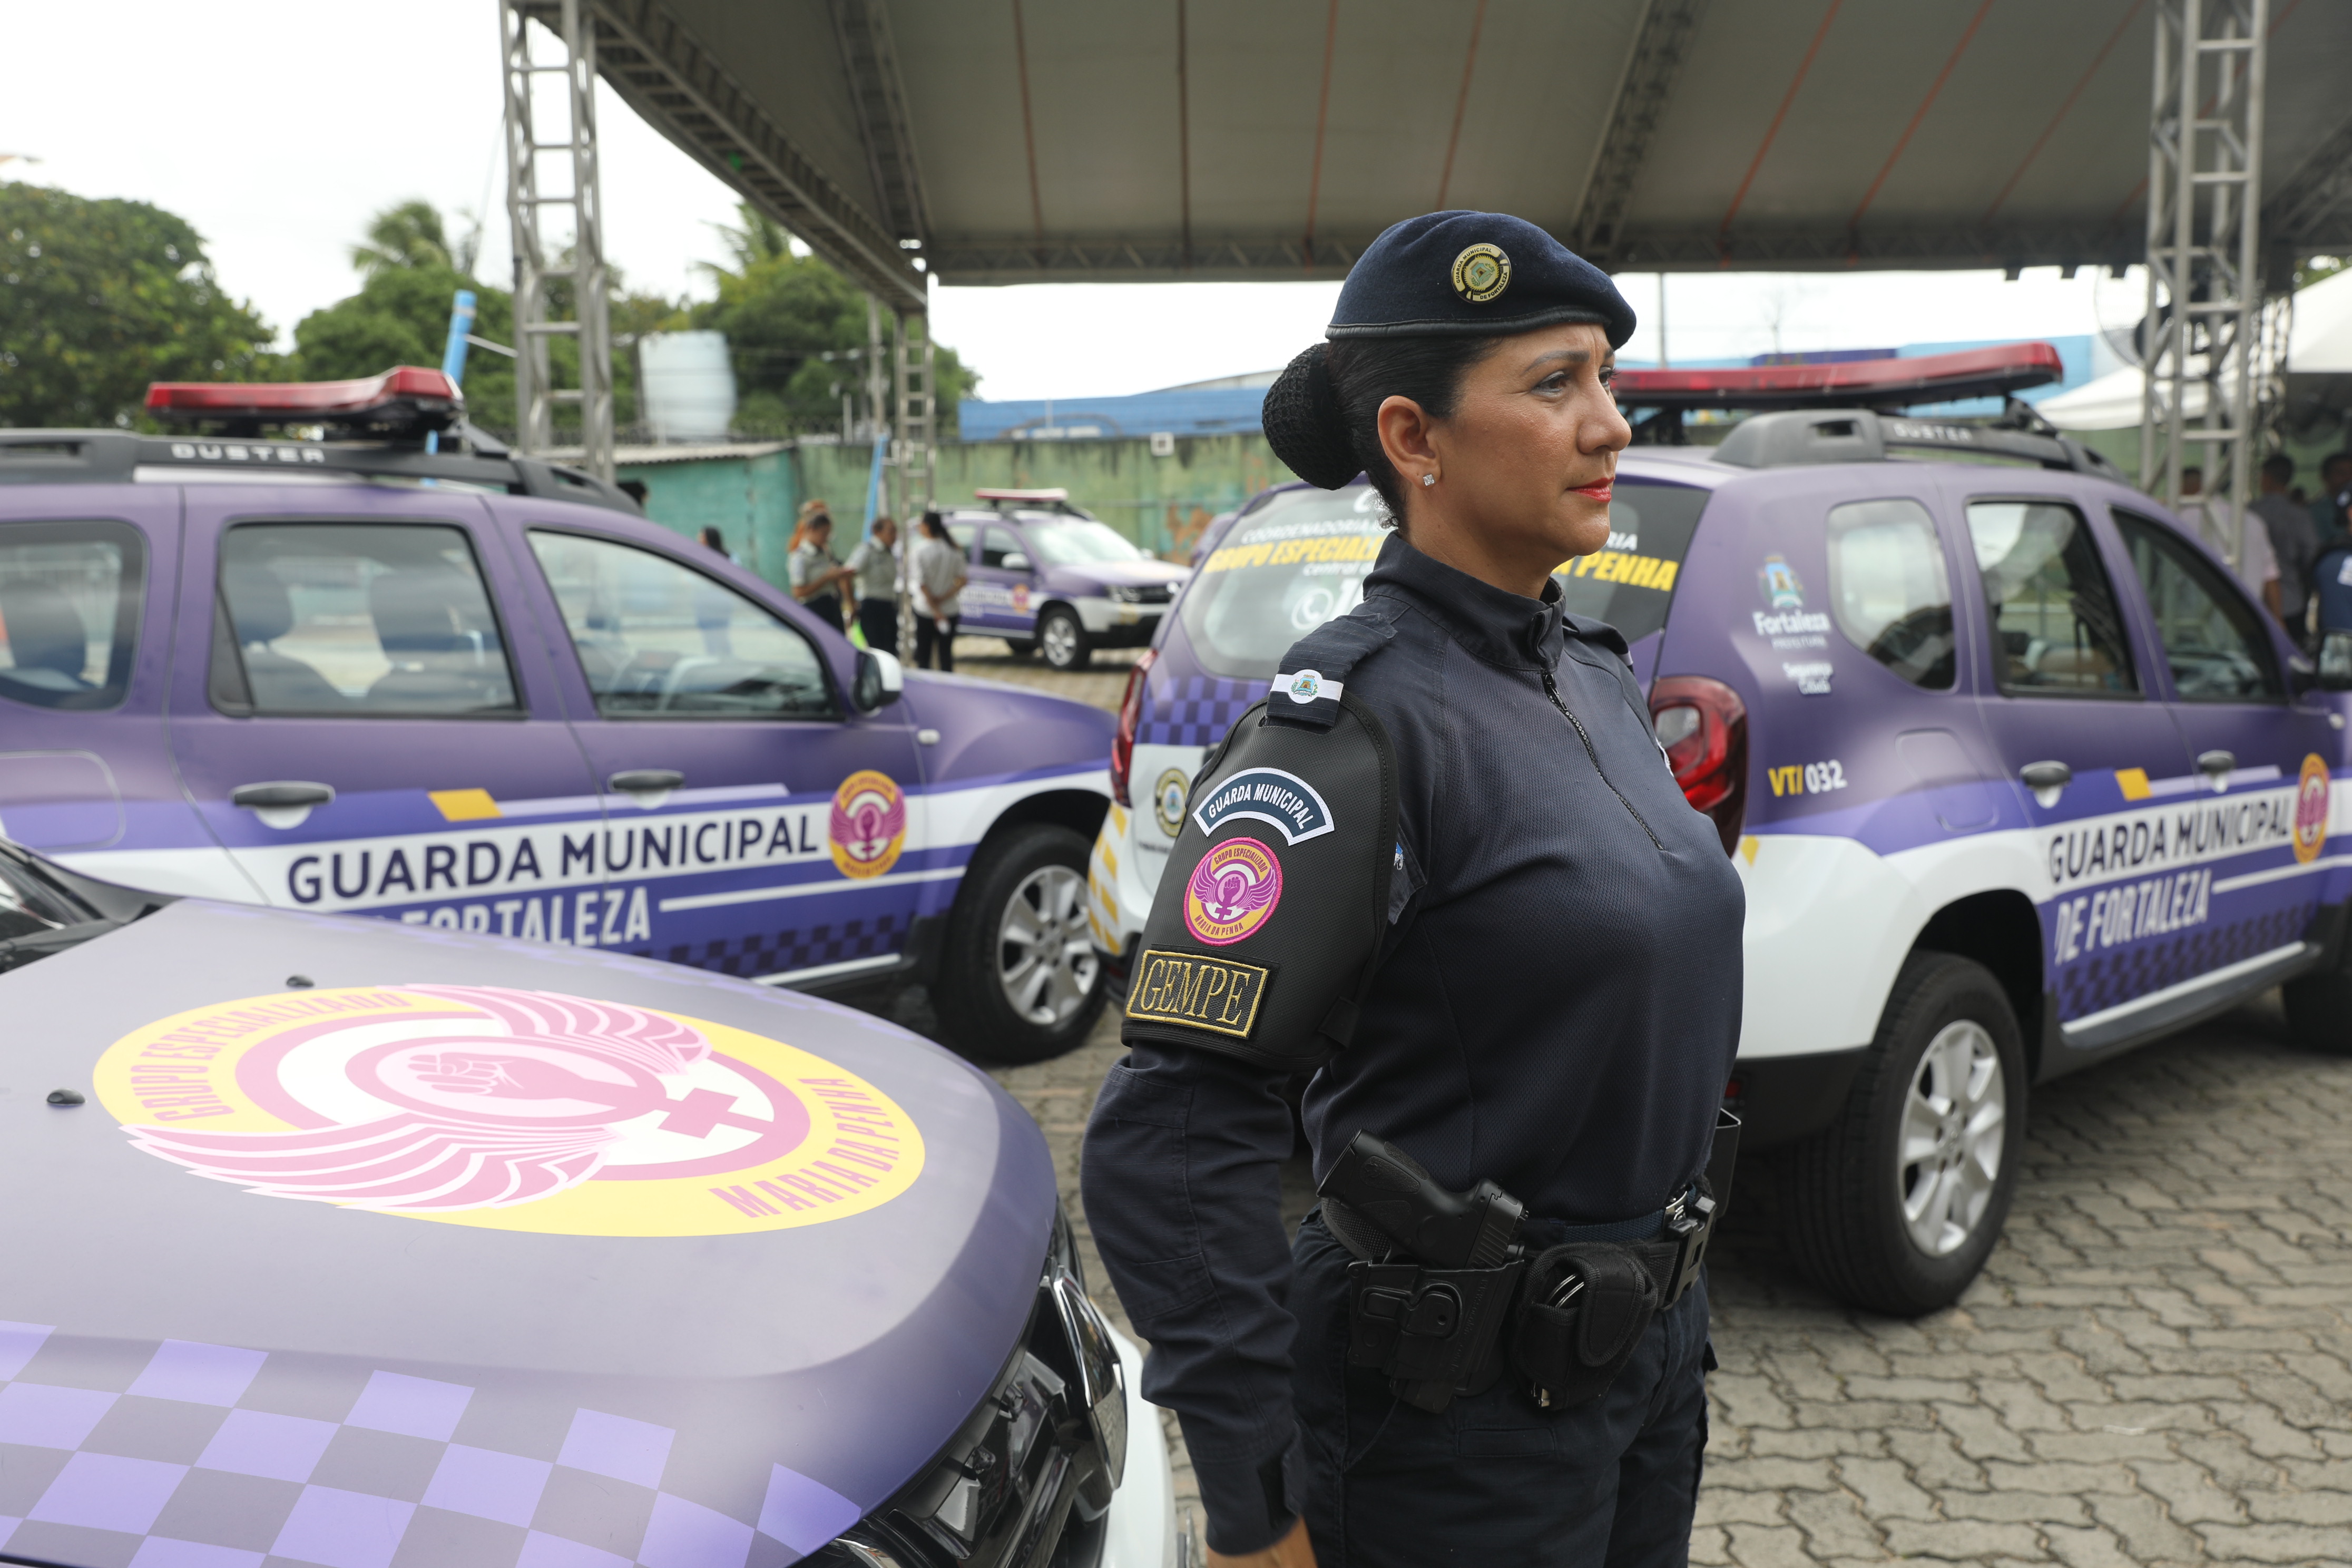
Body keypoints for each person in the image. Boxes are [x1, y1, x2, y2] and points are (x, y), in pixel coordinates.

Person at [1081, 212, 1746, 1568]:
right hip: (1450, 1433)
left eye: (1606, 381)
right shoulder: (1352, 727)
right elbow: (1166, 1140)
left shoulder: (1594, 677)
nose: (1608, 424)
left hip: (1640, 1371)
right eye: (1553, 384)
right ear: (1412, 439)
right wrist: (1255, 1503)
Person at [2179, 466, 2279, 615]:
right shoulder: (2252, 520)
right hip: (2248, 622)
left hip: (2194, 625)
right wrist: (2278, 619)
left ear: (2184, 488)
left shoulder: (2180, 520)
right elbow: (2270, 577)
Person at [2249, 454, 2319, 639]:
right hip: (2291, 601)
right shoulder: (2300, 516)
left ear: (2265, 477)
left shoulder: (2249, 514)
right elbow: (2312, 557)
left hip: (2252, 599)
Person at [912, 509, 966, 671]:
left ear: (927, 527)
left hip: (926, 611)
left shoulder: (920, 550)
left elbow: (922, 584)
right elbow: (963, 580)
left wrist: (935, 609)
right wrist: (943, 598)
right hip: (949, 610)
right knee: (946, 656)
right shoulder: (953, 549)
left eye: (921, 525)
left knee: (924, 658)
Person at [788, 502, 852, 631]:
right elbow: (798, 593)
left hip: (832, 606)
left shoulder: (824, 552)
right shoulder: (800, 556)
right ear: (811, 529)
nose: (826, 539)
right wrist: (826, 578)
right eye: (823, 534)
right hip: (814, 610)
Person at [846, 515, 903, 656]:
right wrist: (852, 605)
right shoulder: (867, 550)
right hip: (872, 607)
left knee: (891, 651)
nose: (894, 536)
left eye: (895, 531)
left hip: (888, 606)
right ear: (877, 532)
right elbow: (847, 575)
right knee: (878, 652)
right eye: (891, 531)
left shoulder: (889, 552)